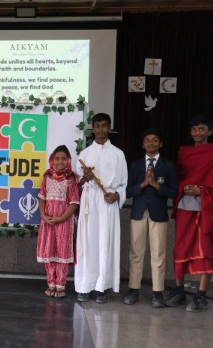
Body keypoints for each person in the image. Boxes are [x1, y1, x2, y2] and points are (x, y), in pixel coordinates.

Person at [165, 115, 213, 312]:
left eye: (201, 129)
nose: (197, 132)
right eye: (194, 129)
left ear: (210, 131)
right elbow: (178, 179)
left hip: (207, 211)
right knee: (180, 249)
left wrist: (201, 191)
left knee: (206, 252)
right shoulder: (184, 153)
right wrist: (183, 187)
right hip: (184, 208)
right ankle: (179, 291)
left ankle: (201, 295)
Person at [75, 113, 128, 303]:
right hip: (90, 202)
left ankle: (102, 287)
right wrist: (85, 178)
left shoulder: (118, 154)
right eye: (97, 126)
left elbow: (123, 184)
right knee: (88, 243)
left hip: (107, 202)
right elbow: (77, 183)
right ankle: (84, 286)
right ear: (93, 128)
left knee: (105, 242)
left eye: (104, 126)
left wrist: (117, 195)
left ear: (109, 128)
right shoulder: (85, 154)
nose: (100, 129)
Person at [123, 128, 178, 308]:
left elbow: (174, 192)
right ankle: (133, 289)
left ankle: (157, 292)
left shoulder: (168, 165)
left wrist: (155, 185)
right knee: (136, 252)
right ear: (143, 144)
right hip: (138, 212)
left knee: (158, 253)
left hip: (159, 214)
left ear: (160, 143)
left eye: (155, 140)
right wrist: (143, 184)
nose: (151, 143)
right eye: (147, 140)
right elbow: (127, 191)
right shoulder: (135, 165)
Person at [36, 145, 80, 299]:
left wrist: (61, 218)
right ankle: (51, 284)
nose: (60, 162)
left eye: (63, 159)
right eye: (57, 159)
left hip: (64, 222)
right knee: (49, 251)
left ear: (68, 160)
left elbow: (74, 203)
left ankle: (60, 285)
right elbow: (42, 198)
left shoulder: (72, 179)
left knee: (61, 252)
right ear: (52, 160)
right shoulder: (47, 177)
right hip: (48, 221)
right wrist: (43, 215)